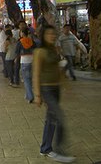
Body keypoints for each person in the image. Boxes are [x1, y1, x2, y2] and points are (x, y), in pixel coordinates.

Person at [33, 25, 75, 163]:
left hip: (55, 88)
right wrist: (37, 95)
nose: (52, 36)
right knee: (59, 118)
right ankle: (57, 150)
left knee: (51, 119)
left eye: (53, 33)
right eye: (48, 34)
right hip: (46, 90)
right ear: (43, 36)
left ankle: (45, 148)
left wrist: (65, 86)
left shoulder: (54, 50)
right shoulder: (40, 51)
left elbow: (58, 70)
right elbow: (36, 74)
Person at [15, 28, 37, 103]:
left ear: (23, 33)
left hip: (24, 62)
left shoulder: (20, 42)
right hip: (32, 61)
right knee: (29, 78)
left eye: (21, 32)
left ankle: (30, 96)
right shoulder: (32, 41)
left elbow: (17, 52)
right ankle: (27, 94)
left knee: (26, 80)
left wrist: (16, 60)